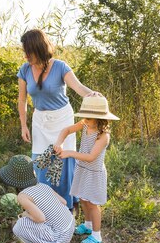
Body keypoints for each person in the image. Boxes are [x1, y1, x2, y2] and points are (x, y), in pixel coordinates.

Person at [17, 29, 100, 210]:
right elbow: (22, 100)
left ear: (38, 48)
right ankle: (46, 205)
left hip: (63, 120)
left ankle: (67, 206)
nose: (25, 56)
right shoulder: (24, 70)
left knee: (63, 163)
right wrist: (23, 125)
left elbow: (78, 87)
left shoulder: (60, 66)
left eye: (28, 51)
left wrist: (92, 94)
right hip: (40, 121)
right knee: (41, 163)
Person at [53, 96, 119, 243]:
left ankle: (96, 235)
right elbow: (67, 130)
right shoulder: (84, 124)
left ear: (99, 118)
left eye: (88, 118)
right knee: (83, 198)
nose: (85, 120)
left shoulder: (103, 136)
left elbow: (90, 157)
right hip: (82, 170)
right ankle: (88, 225)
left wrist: (69, 153)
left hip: (94, 173)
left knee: (92, 204)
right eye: (84, 117)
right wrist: (59, 142)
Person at [0, 155, 75, 243]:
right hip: (69, 226)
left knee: (20, 225)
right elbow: (64, 202)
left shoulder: (22, 196)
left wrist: (25, 215)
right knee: (37, 219)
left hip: (59, 239)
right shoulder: (43, 185)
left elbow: (40, 218)